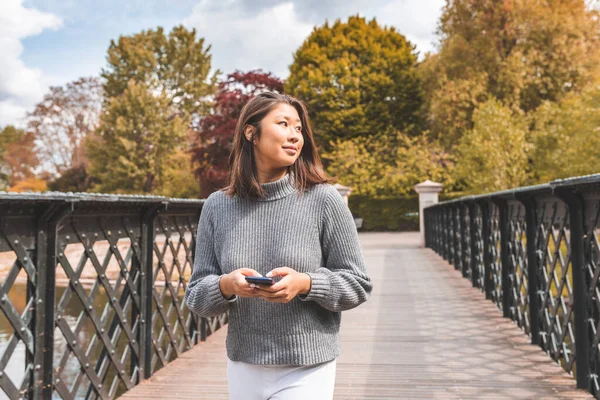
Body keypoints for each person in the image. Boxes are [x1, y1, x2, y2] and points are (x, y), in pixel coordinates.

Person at [184, 91, 372, 400]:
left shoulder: (324, 200)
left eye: (298, 128)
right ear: (251, 133)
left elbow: (358, 284)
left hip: (307, 367)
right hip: (244, 365)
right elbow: (195, 296)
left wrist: (306, 284)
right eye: (283, 124)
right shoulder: (217, 207)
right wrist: (227, 285)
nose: (294, 136)